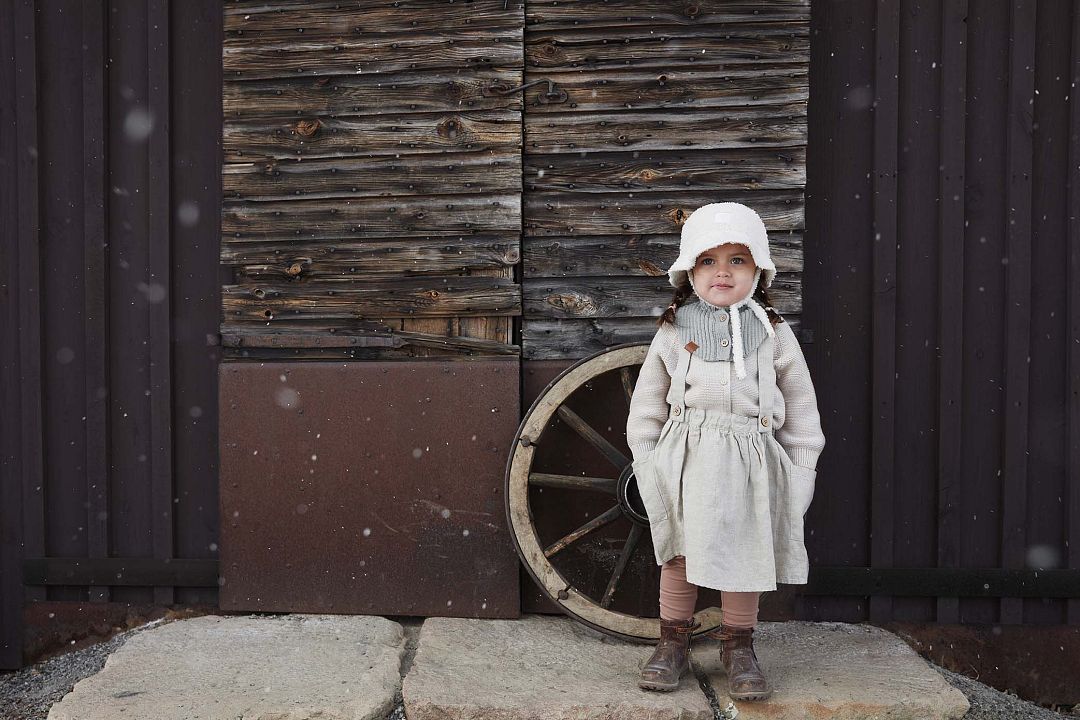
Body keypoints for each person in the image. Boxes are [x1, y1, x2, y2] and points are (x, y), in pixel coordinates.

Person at [626, 202, 826, 699]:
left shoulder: (775, 333)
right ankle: (672, 641)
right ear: (689, 272)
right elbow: (648, 405)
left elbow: (801, 411)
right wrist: (649, 467)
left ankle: (739, 648)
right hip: (686, 459)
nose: (722, 272)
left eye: (737, 260)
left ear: (759, 271)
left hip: (752, 463)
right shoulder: (674, 331)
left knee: (745, 554)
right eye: (708, 261)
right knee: (679, 553)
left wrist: (800, 474)